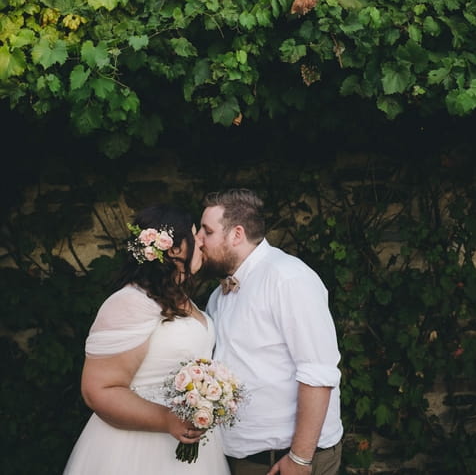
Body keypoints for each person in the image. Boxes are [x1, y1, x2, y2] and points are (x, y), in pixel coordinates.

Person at [63, 205, 230, 475]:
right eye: (193, 234)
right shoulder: (129, 303)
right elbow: (98, 390)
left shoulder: (183, 298)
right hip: (135, 450)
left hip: (194, 448)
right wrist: (168, 420)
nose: (201, 240)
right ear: (174, 248)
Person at [200, 188, 343, 475]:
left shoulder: (288, 278)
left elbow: (318, 371)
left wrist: (300, 458)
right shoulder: (219, 294)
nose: (198, 241)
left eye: (207, 231)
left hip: (284, 460)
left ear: (236, 234)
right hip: (240, 457)